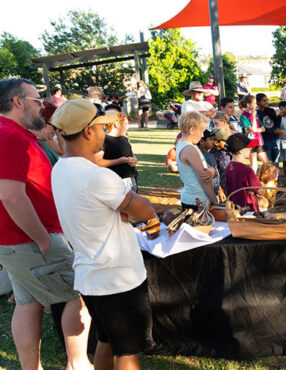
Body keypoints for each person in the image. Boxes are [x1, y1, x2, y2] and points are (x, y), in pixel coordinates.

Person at [50, 98, 156, 370]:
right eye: (100, 128)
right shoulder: (96, 177)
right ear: (87, 131)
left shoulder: (60, 168)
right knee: (128, 352)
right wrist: (130, 206)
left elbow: (96, 209)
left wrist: (124, 209)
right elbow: (143, 209)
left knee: (107, 342)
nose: (104, 134)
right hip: (117, 277)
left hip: (91, 275)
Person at [0, 78, 93, 370]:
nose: (42, 106)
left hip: (19, 242)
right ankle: (77, 365)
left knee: (28, 302)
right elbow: (11, 196)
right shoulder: (9, 136)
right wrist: (42, 239)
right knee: (81, 292)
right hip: (30, 241)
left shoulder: (16, 133)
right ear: (18, 102)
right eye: (37, 100)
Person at [176, 112, 218, 211]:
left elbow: (208, 168)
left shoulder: (184, 146)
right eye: (201, 131)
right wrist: (215, 202)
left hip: (192, 198)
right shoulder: (190, 149)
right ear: (192, 130)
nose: (202, 135)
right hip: (197, 200)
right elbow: (205, 180)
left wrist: (212, 171)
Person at [98, 107, 139, 193]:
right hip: (114, 182)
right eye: (126, 124)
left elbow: (131, 154)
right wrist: (119, 161)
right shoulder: (103, 141)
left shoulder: (124, 139)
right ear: (117, 124)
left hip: (130, 180)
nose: (128, 127)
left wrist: (134, 159)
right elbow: (98, 162)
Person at [225, 133, 263, 212]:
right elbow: (260, 191)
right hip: (248, 208)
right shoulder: (247, 170)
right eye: (248, 147)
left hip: (234, 208)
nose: (250, 149)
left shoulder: (229, 166)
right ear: (240, 151)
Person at [239, 94, 268, 172]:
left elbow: (263, 128)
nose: (256, 105)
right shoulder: (244, 116)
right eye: (254, 103)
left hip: (259, 141)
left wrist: (256, 129)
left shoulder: (256, 114)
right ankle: (254, 182)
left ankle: (261, 178)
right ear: (248, 104)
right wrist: (253, 116)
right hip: (250, 142)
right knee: (254, 165)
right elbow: (250, 129)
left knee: (266, 163)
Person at [257, 93, 284, 164]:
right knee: (267, 162)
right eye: (263, 100)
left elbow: (276, 124)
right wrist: (275, 131)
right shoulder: (257, 113)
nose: (266, 102)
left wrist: (279, 116)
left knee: (276, 160)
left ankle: (275, 175)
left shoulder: (270, 110)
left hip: (276, 139)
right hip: (266, 140)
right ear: (258, 102)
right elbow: (262, 129)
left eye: (267, 100)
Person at [197, 128, 221, 197]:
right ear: (201, 141)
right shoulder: (202, 156)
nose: (213, 142)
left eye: (213, 139)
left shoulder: (207, 153)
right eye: (210, 139)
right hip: (207, 194)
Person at [210, 127, 231, 194]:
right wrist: (218, 188)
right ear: (216, 142)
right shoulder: (212, 155)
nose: (226, 142)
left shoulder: (227, 150)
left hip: (230, 185)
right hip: (220, 188)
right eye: (224, 141)